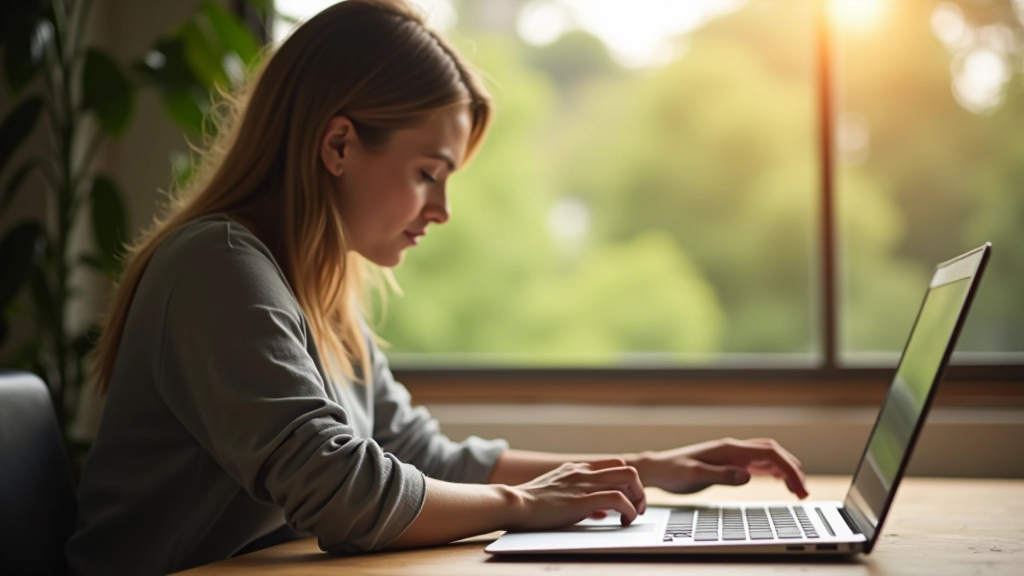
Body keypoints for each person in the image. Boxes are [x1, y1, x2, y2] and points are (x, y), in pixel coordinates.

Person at [66, 1, 809, 574]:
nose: (442, 210)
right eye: (428, 173)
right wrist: (527, 506)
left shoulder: (315, 283)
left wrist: (642, 469)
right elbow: (345, 495)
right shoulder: (218, 268)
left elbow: (420, 455)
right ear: (337, 144)